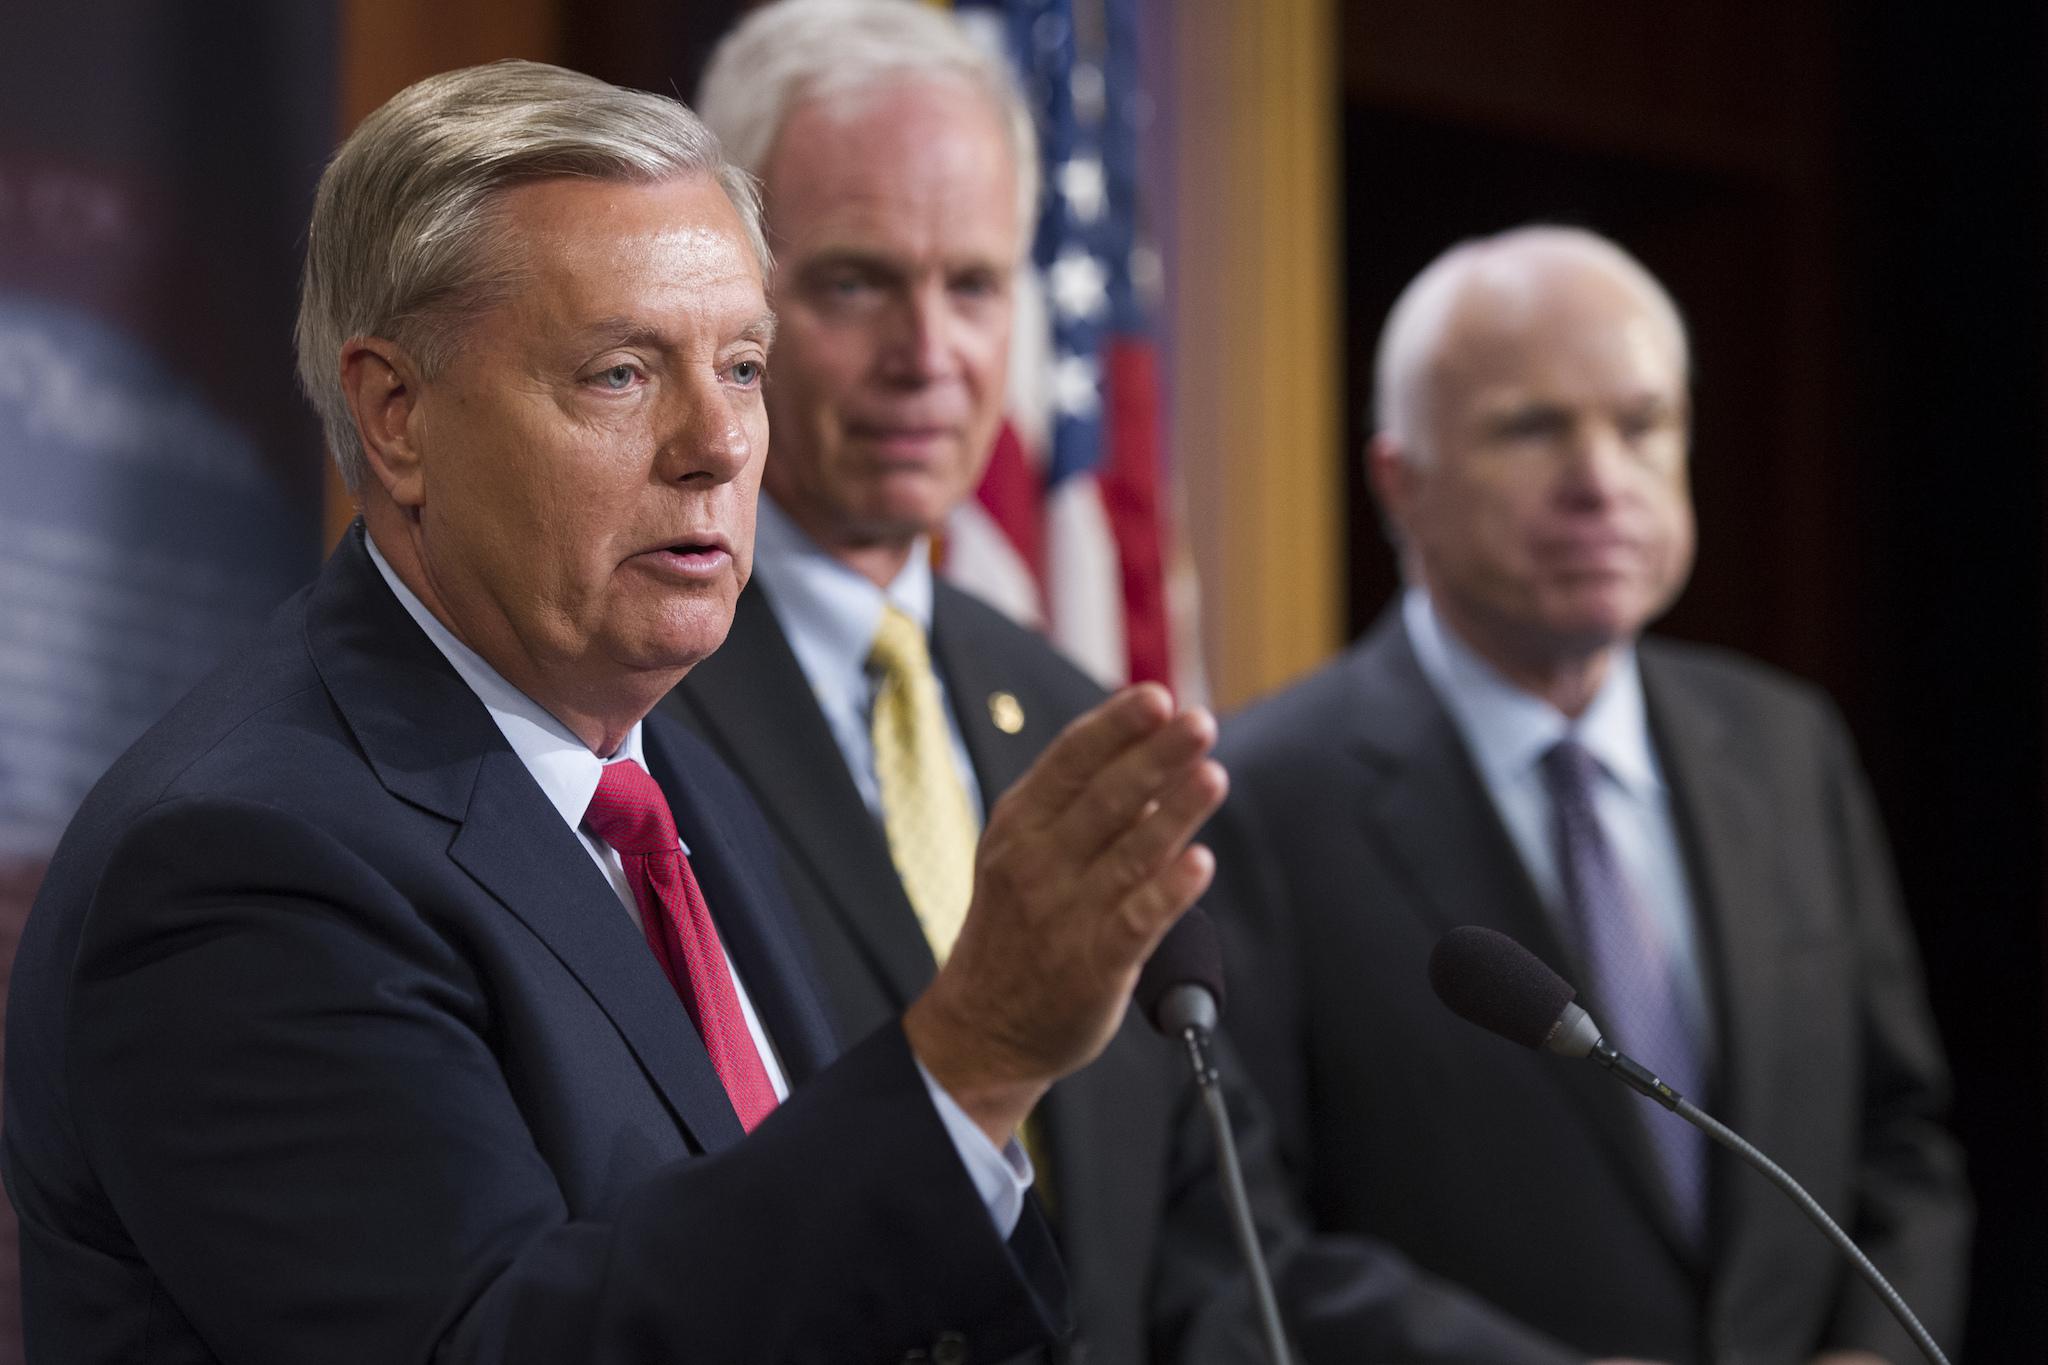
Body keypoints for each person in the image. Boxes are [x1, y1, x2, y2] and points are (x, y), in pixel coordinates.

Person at [0, 60, 1234, 1365]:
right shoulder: (243, 863)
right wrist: (970, 1060)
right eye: (621, 374)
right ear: (396, 416)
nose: (717, 443)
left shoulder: (675, 786)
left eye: (744, 365)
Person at [663, 5, 1593, 1361]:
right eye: (858, 283)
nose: (933, 352)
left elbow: (1206, 1264)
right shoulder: (632, 695)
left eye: (976, 285)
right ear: (732, 293)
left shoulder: (1071, 711)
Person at [1214, 224, 1973, 1364]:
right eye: (1531, 428)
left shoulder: (1783, 746)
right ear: (1399, 482)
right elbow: (1236, 1242)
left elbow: (1898, 1137)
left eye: (1640, 424)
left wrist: (1872, 1351)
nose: (1599, 481)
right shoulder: (1257, 797)